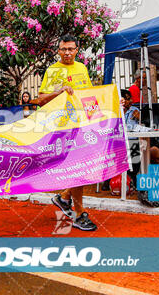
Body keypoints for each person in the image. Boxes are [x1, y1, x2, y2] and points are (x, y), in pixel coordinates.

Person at [38, 34, 96, 231]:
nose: (68, 53)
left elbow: (89, 96)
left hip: (81, 124)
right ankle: (79, 214)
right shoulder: (53, 71)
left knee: (82, 166)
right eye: (64, 49)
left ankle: (64, 197)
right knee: (77, 166)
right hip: (61, 127)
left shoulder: (82, 68)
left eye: (71, 49)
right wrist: (59, 92)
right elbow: (41, 99)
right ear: (58, 51)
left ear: (77, 50)